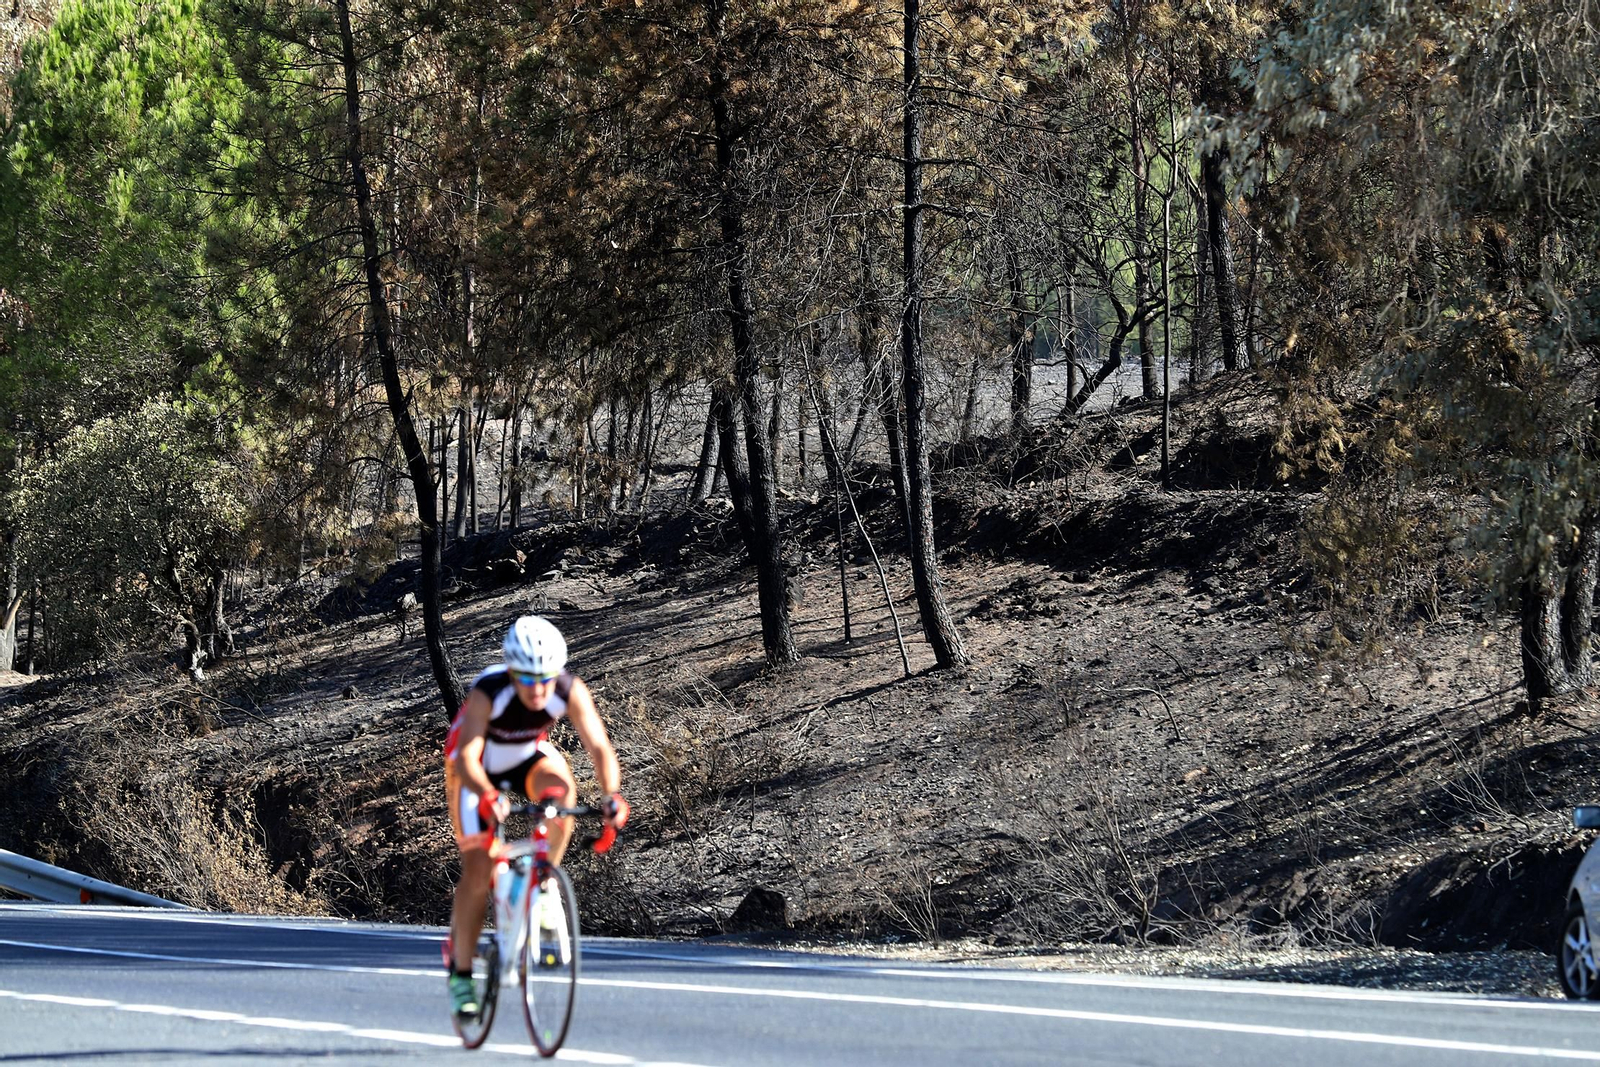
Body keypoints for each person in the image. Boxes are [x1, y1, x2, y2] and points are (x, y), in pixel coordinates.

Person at [443, 614, 629, 1019]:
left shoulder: (568, 688)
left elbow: (598, 745)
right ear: (512, 672)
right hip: (474, 770)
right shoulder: (489, 693)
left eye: (546, 677)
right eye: (528, 679)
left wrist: (612, 796)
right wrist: (489, 795)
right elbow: (469, 758)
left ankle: (542, 877)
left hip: (527, 757)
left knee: (561, 798)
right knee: (478, 867)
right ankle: (460, 974)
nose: (539, 689)